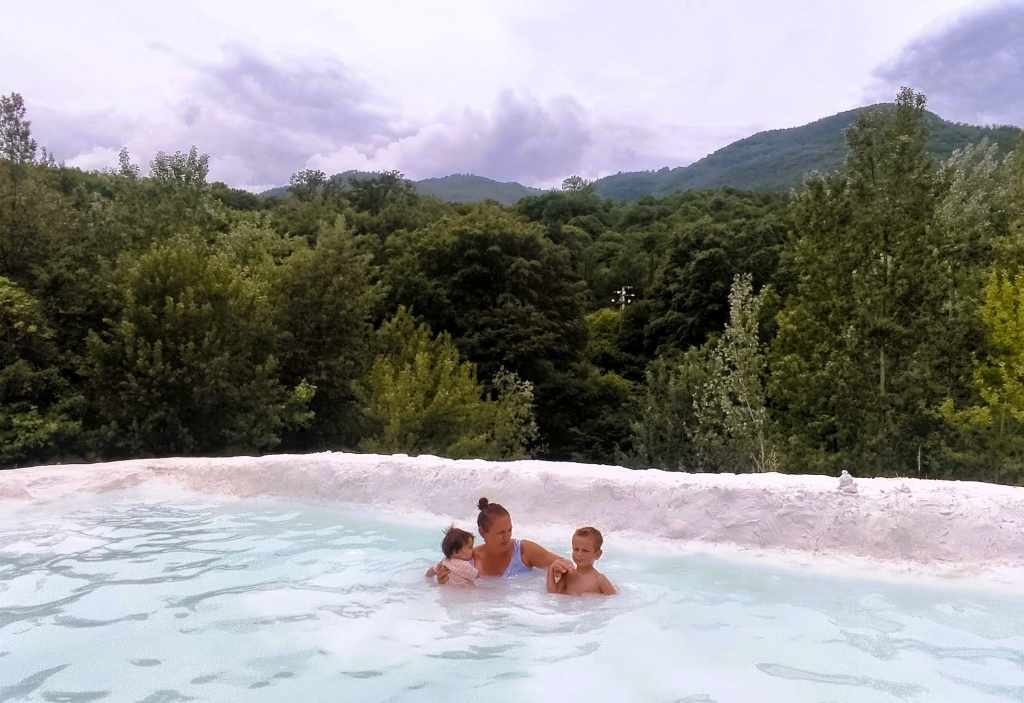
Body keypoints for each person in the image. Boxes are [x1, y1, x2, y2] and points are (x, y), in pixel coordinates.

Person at [433, 497, 574, 583]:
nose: (507, 537)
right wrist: (442, 582)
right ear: (482, 532)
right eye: (500, 533)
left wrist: (559, 569)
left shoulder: (524, 550)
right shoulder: (466, 558)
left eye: (509, 530)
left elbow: (567, 564)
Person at [546, 526, 616, 596]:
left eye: (585, 551)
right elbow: (554, 594)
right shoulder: (568, 574)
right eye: (576, 549)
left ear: (598, 554)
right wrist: (551, 569)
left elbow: (614, 599)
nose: (579, 554)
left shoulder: (600, 580)